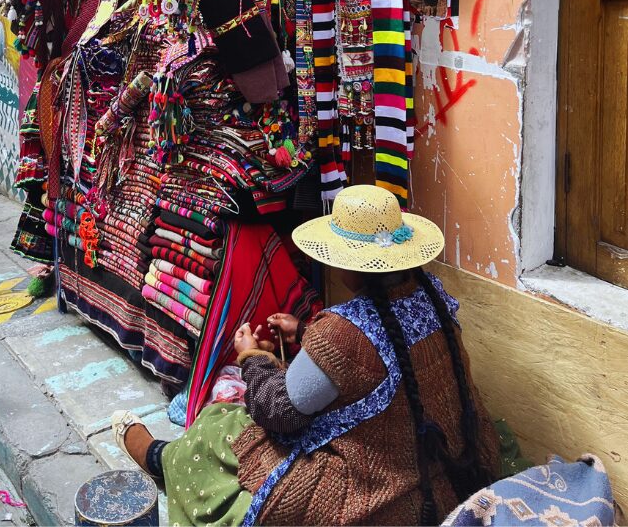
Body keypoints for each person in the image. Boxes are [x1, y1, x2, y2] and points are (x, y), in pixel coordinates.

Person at [112, 185, 501, 526]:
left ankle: (161, 459)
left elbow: (279, 412)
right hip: (452, 468)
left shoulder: (342, 332)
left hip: (383, 498)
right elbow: (370, 362)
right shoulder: (431, 296)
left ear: (348, 264)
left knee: (219, 426)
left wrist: (252, 359)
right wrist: (303, 333)